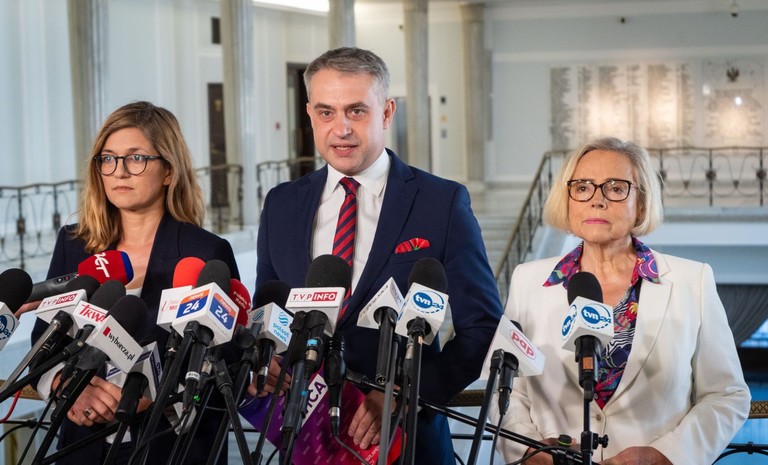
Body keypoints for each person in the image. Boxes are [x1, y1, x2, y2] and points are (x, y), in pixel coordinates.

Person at [251, 47, 503, 464]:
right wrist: (266, 362)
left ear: (386, 112)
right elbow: (269, 311)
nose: (341, 129)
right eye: (326, 112)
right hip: (306, 441)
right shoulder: (281, 204)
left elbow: (482, 327)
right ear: (310, 114)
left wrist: (407, 392)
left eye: (356, 111)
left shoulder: (440, 203)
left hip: (408, 444)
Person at [491, 137, 750, 464]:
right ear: (567, 200)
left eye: (615, 188)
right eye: (583, 187)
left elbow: (727, 395)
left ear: (641, 203)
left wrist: (665, 455)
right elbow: (505, 390)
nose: (597, 200)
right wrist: (529, 451)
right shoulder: (527, 281)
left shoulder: (692, 281)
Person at [30, 101, 240, 465]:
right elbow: (44, 342)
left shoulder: (206, 252)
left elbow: (229, 365)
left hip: (169, 446)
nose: (120, 171)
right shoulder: (75, 244)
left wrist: (158, 398)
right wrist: (67, 388)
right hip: (83, 444)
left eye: (136, 158)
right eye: (108, 159)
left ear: (169, 171)